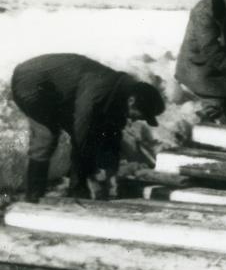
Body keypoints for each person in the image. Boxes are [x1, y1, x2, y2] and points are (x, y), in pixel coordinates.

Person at [11, 53, 165, 202]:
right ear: (131, 101)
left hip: (57, 87)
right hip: (31, 82)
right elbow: (81, 135)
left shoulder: (118, 94)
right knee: (48, 136)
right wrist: (83, 182)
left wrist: (112, 176)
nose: (135, 119)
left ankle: (73, 187)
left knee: (99, 131)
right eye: (138, 115)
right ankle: (35, 197)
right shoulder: (100, 91)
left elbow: (112, 134)